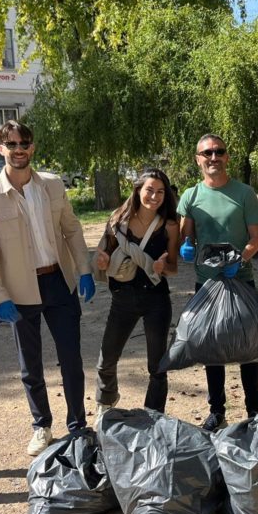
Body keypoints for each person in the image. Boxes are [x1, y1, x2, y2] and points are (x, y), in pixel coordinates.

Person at [0, 120, 96, 456]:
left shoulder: (52, 186)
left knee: (71, 357)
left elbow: (72, 230)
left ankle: (77, 425)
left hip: (59, 281)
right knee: (30, 364)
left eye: (24, 142)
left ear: (33, 146)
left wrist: (84, 270)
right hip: (20, 288)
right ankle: (41, 425)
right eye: (11, 144)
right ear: (1, 149)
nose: (19, 149)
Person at [177, 133, 258, 431]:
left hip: (241, 280)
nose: (213, 157)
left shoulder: (244, 193)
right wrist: (184, 247)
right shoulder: (190, 196)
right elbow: (185, 236)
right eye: (207, 153)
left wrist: (241, 259)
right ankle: (217, 410)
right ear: (198, 159)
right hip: (207, 285)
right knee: (211, 348)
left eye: (219, 152)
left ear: (227, 156)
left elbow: (257, 238)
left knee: (248, 346)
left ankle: (255, 409)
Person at [93, 168, 179, 422]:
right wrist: (101, 261)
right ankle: (106, 404)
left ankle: (153, 415)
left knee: (157, 365)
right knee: (107, 356)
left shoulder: (170, 225)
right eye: (149, 190)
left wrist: (163, 268)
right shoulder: (118, 218)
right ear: (138, 190)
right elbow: (105, 254)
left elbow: (173, 267)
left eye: (160, 192)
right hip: (122, 298)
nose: (154, 196)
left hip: (156, 300)